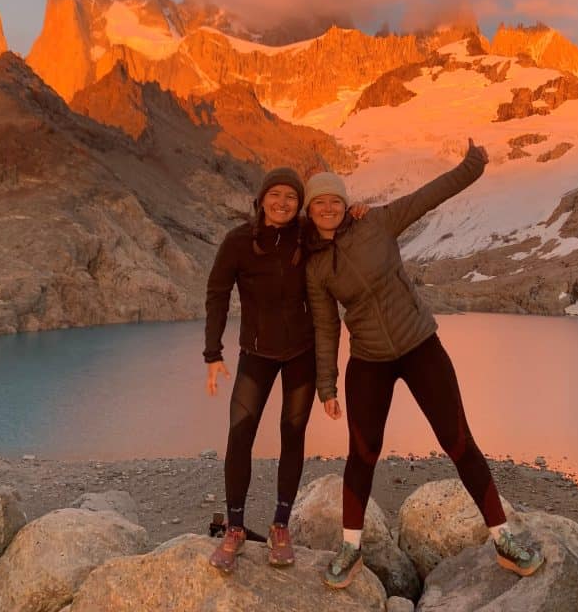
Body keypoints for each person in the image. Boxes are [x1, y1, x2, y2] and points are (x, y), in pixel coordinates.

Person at [304, 139, 545, 589]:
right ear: (310, 209)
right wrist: (327, 386)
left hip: (419, 345)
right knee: (362, 453)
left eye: (335, 200)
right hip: (369, 359)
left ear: (345, 202)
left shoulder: (376, 221)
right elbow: (325, 327)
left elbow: (427, 196)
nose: (329, 208)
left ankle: (505, 541)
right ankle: (351, 549)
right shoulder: (315, 266)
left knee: (458, 442)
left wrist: (472, 165)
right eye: (320, 203)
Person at [203, 167, 366, 573]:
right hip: (255, 354)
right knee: (240, 435)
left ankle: (280, 525)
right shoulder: (238, 241)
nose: (282, 202)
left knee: (292, 435)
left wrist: (358, 213)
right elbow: (217, 295)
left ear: (299, 204)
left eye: (290, 197)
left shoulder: (306, 235)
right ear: (261, 199)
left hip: (301, 354)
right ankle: (235, 528)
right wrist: (212, 353)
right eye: (275, 194)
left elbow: (338, 226)